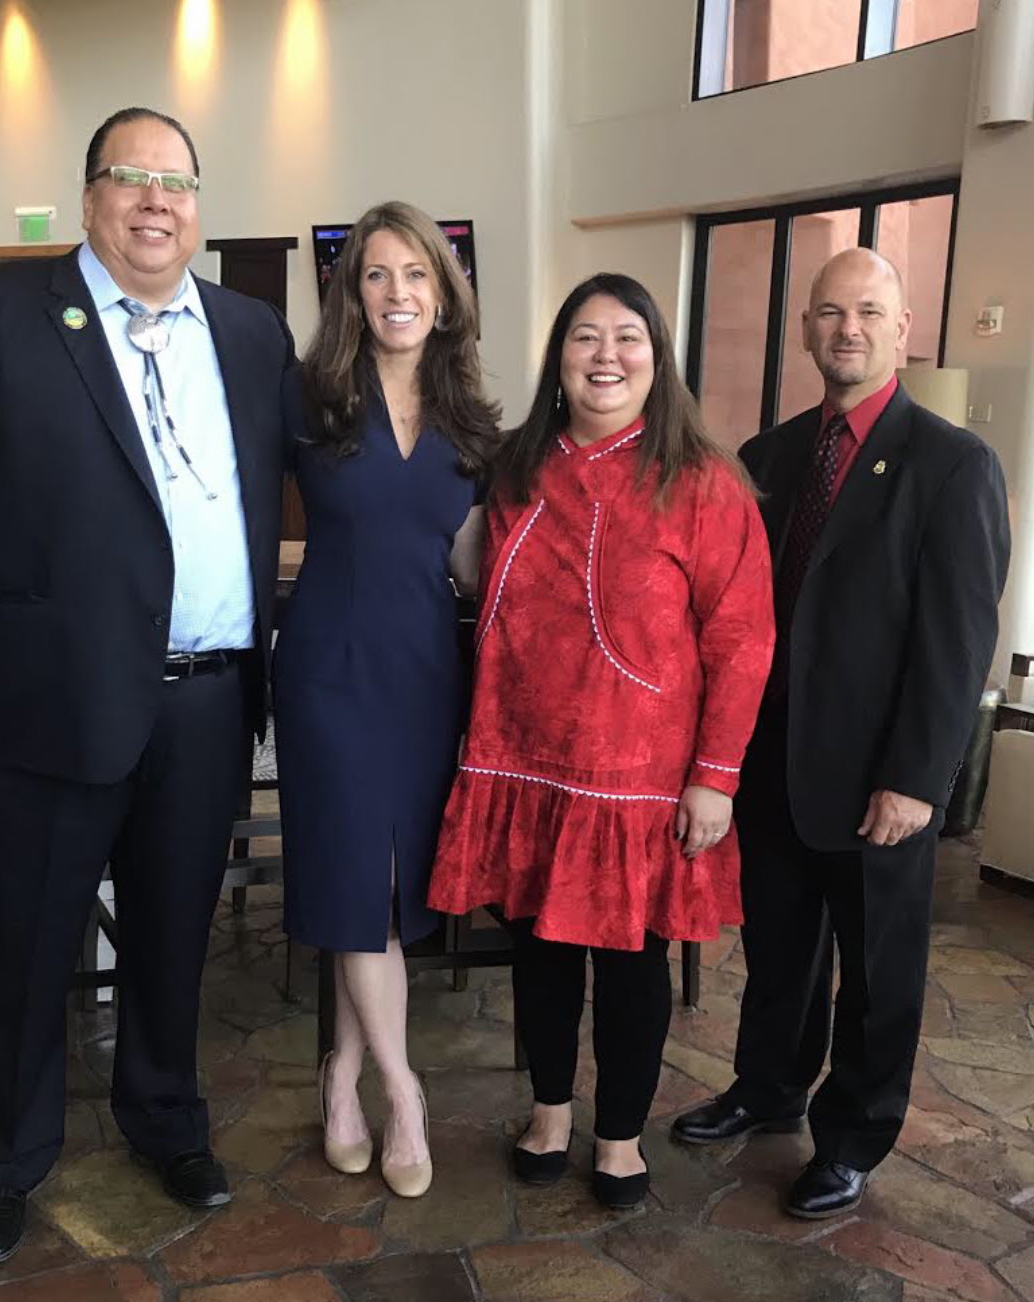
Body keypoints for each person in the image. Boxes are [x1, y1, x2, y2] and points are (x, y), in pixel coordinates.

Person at [0, 107, 294, 1266]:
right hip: (49, 695)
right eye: (130, 178)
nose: (156, 202)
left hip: (209, 698)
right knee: (24, 944)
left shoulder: (252, 333)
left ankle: (165, 1120)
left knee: (173, 935)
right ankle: (4, 1164)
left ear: (200, 207)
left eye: (176, 183)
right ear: (89, 196)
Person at [671, 248, 1010, 1219]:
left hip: (876, 782)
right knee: (778, 951)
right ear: (806, 328)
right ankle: (767, 1087)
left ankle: (853, 1133)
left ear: (901, 329)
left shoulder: (951, 464)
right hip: (772, 765)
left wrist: (915, 777)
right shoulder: (766, 458)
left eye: (867, 311)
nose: (845, 329)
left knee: (874, 971)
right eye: (827, 313)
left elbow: (957, 639)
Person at [428, 273, 774, 1209]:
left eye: (627, 338)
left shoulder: (703, 484)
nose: (605, 356)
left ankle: (618, 1133)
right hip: (523, 763)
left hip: (642, 777)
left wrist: (715, 777)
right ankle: (548, 1110)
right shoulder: (511, 471)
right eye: (585, 337)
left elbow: (742, 639)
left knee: (629, 964)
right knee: (540, 950)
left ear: (656, 360)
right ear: (559, 359)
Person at [274, 202, 498, 1198]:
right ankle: (403, 1093)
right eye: (376, 275)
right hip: (327, 669)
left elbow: (471, 561)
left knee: (379, 886)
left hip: (422, 675)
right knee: (361, 878)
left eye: (416, 275)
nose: (397, 292)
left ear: (445, 297)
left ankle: (342, 1074)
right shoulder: (310, 399)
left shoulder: (473, 427)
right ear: (350, 293)